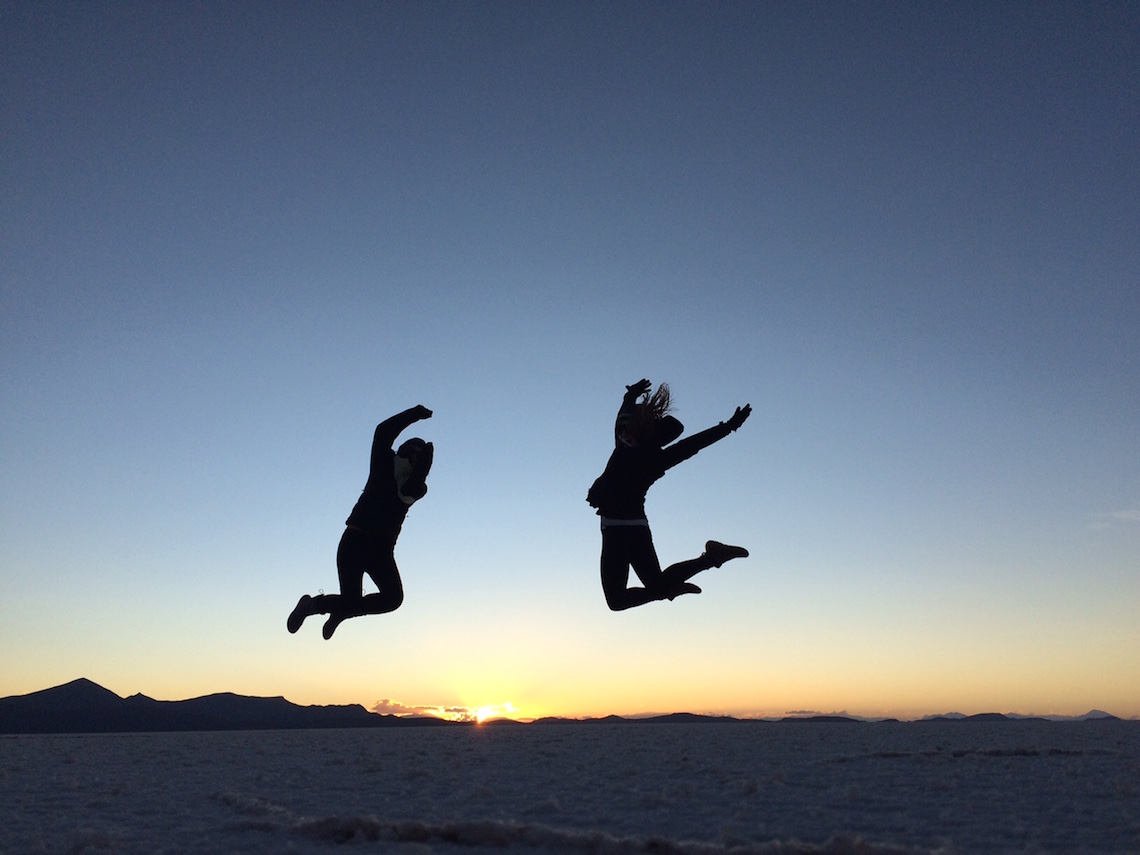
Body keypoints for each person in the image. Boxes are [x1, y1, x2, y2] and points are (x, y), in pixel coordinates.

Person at [587, 379, 751, 611]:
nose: (624, 437)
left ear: (646, 437)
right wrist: (630, 396)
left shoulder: (656, 461)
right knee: (616, 601)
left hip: (633, 529)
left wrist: (729, 426)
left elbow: (695, 444)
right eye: (624, 434)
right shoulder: (622, 442)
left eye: (630, 435)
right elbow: (622, 418)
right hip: (610, 528)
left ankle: (711, 558)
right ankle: (668, 589)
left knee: (656, 584)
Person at [288, 405, 434, 639]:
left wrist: (422, 469)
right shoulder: (383, 464)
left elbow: (411, 487)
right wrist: (415, 413)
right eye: (412, 452)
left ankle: (341, 612)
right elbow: (383, 431)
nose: (414, 458)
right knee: (350, 600)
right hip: (355, 540)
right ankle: (310, 606)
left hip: (381, 551)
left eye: (420, 457)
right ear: (402, 452)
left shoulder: (418, 487)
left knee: (392, 599)